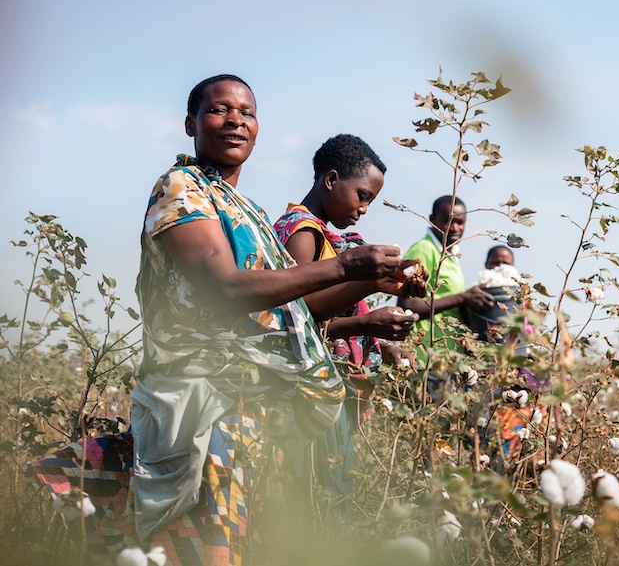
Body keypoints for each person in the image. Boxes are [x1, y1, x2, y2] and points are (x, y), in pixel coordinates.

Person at [34, 75, 412, 566]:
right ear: (190, 123)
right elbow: (225, 289)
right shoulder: (180, 188)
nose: (235, 120)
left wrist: (371, 279)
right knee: (203, 543)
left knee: (249, 546)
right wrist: (345, 266)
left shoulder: (247, 210)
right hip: (202, 403)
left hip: (256, 412)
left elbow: (296, 313)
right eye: (219, 110)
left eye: (246, 113)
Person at [272, 133, 420, 518]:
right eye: (362, 196)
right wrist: (369, 316)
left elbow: (329, 316)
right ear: (332, 179)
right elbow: (297, 319)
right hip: (306, 392)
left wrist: (380, 342)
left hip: (325, 388)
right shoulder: (303, 232)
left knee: (330, 500)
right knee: (319, 507)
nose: (364, 209)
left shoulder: (323, 236)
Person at [397, 196, 494, 354]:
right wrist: (462, 298)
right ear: (432, 220)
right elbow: (408, 306)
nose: (454, 228)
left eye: (460, 222)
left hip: (446, 353)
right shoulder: (424, 250)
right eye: (447, 221)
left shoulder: (450, 254)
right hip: (426, 352)